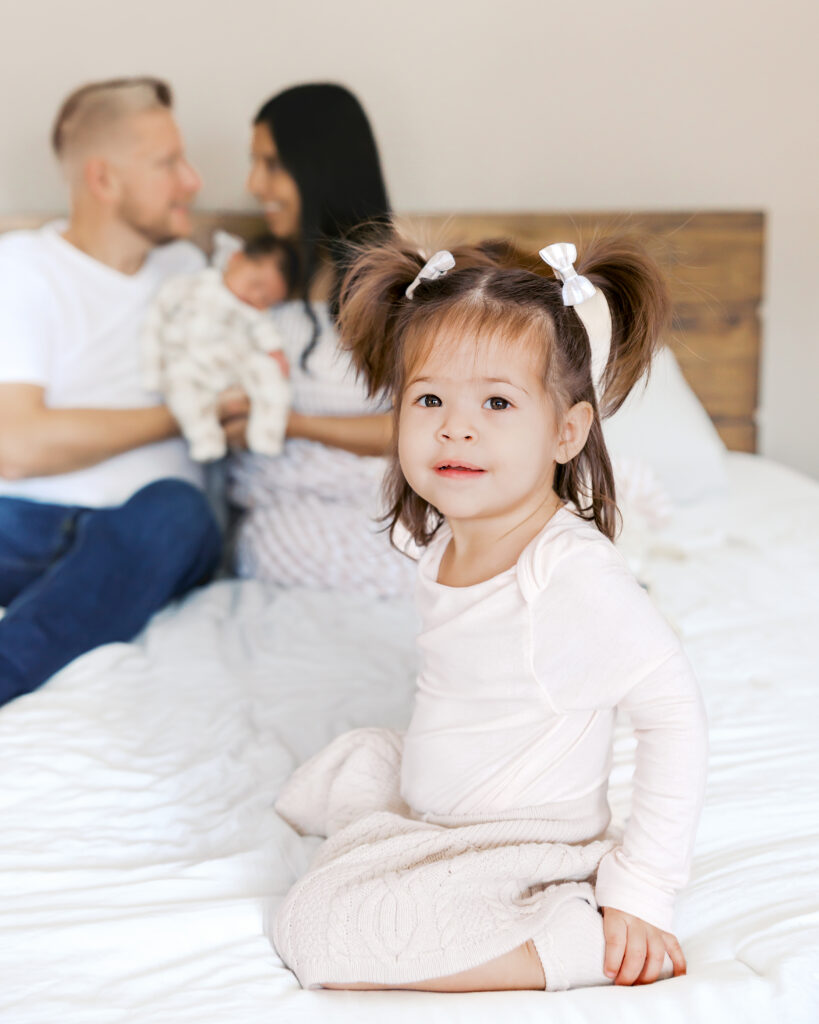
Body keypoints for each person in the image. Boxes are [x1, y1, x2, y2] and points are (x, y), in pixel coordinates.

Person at [270, 235, 709, 992]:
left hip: (525, 842)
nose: (454, 427)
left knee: (317, 928)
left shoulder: (567, 573)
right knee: (356, 763)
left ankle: (569, 943)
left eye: (497, 402)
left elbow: (674, 716)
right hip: (448, 812)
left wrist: (642, 886)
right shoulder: (442, 536)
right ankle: (410, 841)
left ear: (565, 433)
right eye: (429, 398)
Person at [0, 77, 230, 704]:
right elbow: (14, 445)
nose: (193, 181)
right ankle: (73, 597)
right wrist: (184, 415)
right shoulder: (21, 268)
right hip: (21, 527)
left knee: (176, 512)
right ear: (102, 180)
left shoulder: (190, 272)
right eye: (167, 164)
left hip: (149, 530)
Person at [227, 83, 415, 597]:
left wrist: (292, 424)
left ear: (319, 168)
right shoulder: (258, 281)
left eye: (270, 164)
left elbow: (426, 424)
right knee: (274, 544)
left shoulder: (402, 288)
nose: (253, 183)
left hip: (390, 499)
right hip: (289, 507)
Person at [142, 233, 297, 461]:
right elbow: (154, 325)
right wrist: (153, 372)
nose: (254, 297)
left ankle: (268, 431)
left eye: (265, 300)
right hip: (190, 362)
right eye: (256, 284)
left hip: (235, 369)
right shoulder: (189, 286)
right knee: (181, 390)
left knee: (271, 374)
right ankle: (204, 436)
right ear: (235, 259)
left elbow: (265, 331)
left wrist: (276, 353)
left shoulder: (252, 311)